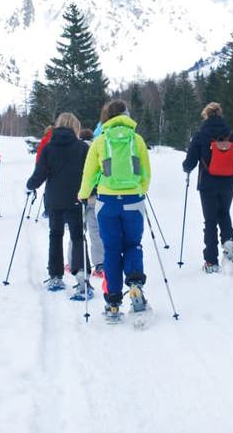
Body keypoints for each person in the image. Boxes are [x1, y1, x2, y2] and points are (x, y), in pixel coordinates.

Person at [78, 99, 152, 321]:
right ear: (126, 115)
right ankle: (136, 284)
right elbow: (145, 172)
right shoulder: (136, 139)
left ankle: (112, 302)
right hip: (133, 200)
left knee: (111, 249)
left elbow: (89, 174)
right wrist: (141, 189)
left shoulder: (100, 141)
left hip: (107, 202)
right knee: (133, 244)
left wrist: (83, 195)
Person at [27, 113, 92, 297]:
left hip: (54, 200)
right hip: (76, 198)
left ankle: (55, 275)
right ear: (75, 127)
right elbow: (90, 173)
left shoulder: (49, 147)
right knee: (78, 236)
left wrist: (30, 186)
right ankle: (81, 275)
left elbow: (40, 173)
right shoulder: (82, 148)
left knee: (55, 236)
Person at [182, 102, 233, 273]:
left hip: (207, 184)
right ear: (220, 114)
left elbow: (190, 162)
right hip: (228, 183)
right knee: (224, 213)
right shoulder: (230, 134)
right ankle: (229, 240)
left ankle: (211, 261)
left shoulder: (201, 135)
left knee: (210, 220)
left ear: (206, 115)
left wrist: (186, 168)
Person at [79, 127, 105, 277]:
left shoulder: (76, 149)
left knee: (78, 232)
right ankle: (100, 264)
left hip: (82, 195)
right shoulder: (97, 147)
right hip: (97, 195)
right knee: (96, 231)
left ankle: (76, 262)